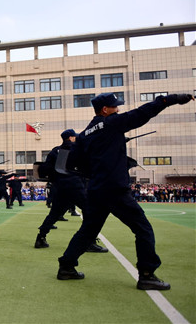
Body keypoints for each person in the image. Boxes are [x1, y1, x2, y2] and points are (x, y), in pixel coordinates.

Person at [57, 92, 193, 290]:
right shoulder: (112, 123)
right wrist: (168, 100)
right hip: (114, 188)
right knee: (143, 228)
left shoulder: (85, 134)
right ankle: (147, 274)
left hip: (95, 189)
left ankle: (66, 266)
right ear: (105, 110)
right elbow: (142, 113)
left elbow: (74, 162)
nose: (118, 109)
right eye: (115, 107)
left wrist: (105, 155)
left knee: (88, 230)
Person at [34, 129, 107, 253]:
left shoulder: (55, 151)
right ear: (71, 138)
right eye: (75, 137)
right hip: (75, 185)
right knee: (90, 211)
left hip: (59, 186)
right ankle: (89, 242)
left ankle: (41, 237)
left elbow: (45, 168)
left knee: (55, 213)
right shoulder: (77, 149)